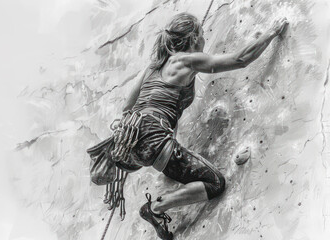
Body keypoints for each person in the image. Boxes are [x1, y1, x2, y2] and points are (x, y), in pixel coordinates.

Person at [88, 12, 288, 240]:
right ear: (193, 39)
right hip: (154, 140)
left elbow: (127, 108)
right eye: (202, 34)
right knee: (215, 183)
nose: (204, 38)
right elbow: (240, 59)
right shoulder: (187, 60)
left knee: (173, 161)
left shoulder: (152, 68)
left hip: (137, 142)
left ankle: (161, 192)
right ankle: (155, 209)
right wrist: (272, 31)